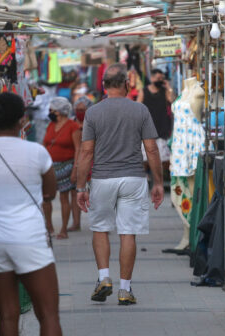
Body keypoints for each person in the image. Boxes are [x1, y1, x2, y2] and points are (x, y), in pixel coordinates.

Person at [0, 92, 62, 336]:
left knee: (6, 316)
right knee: (48, 314)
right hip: (29, 236)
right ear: (22, 120)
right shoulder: (37, 152)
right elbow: (50, 193)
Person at [76, 63, 164, 306]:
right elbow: (152, 149)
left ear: (103, 86)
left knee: (100, 229)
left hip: (102, 178)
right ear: (126, 84)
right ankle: (125, 289)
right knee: (128, 233)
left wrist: (81, 187)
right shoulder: (140, 110)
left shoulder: (93, 112)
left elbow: (85, 152)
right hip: (133, 178)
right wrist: (158, 182)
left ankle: (104, 278)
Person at [43, 97, 82, 239]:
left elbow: (78, 148)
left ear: (59, 111)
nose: (49, 112)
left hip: (67, 165)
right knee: (46, 198)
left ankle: (63, 229)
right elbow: (45, 144)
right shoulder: (50, 125)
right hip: (50, 166)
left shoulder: (73, 126)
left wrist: (75, 169)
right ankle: (49, 227)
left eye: (51, 110)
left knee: (64, 197)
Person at [137, 68, 174, 170]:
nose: (160, 80)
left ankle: (160, 179)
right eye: (158, 78)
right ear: (152, 78)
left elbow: (172, 102)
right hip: (147, 128)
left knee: (163, 160)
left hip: (162, 128)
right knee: (145, 159)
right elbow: (137, 108)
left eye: (162, 78)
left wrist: (168, 87)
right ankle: (148, 180)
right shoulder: (143, 91)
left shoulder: (164, 91)